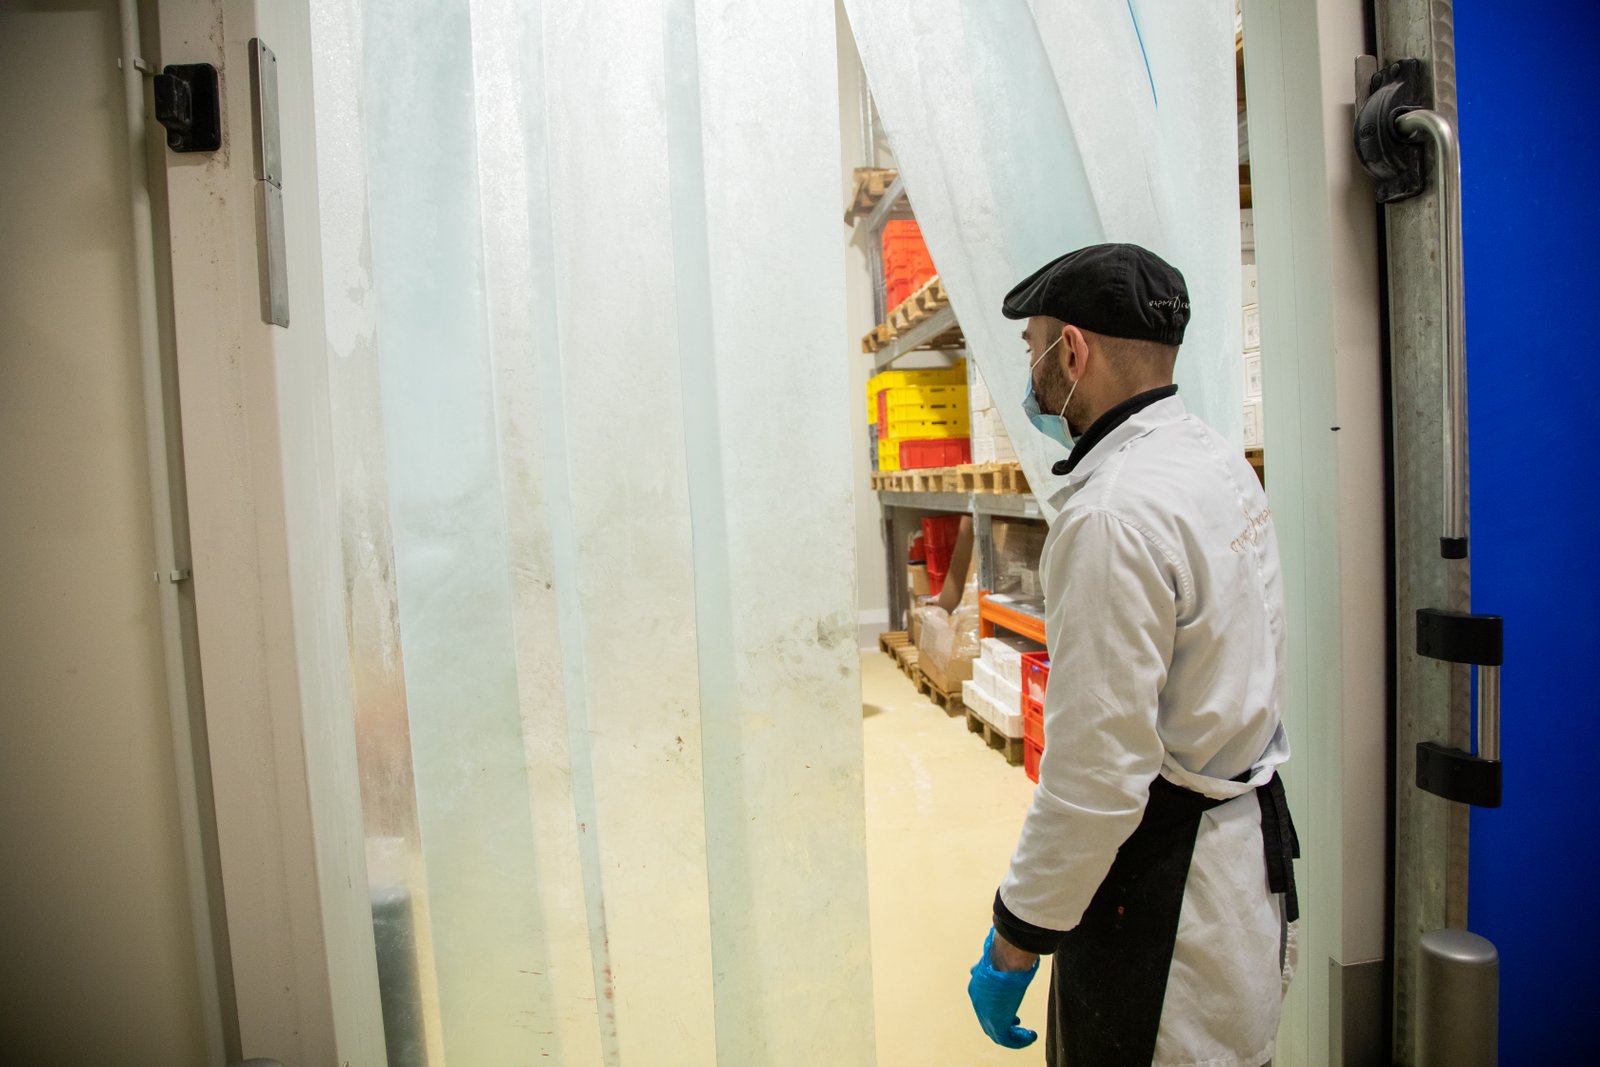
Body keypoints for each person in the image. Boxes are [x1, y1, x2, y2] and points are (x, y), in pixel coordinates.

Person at [965, 244, 1299, 1067]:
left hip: (1162, 905)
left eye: (1034, 347)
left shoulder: (1111, 516)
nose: (1031, 372)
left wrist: (1015, 937)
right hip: (1240, 869)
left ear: (1072, 351)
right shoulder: (1214, 460)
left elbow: (1095, 778)